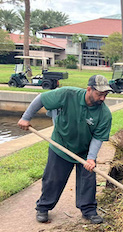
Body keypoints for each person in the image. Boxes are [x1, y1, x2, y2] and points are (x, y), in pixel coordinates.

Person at [17, 75, 113, 224]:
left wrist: (91, 158)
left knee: (88, 181)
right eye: (99, 94)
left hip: (84, 150)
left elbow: (98, 138)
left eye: (105, 95)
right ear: (89, 89)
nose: (102, 98)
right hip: (60, 145)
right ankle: (43, 207)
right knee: (53, 179)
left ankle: (88, 210)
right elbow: (42, 99)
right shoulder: (68, 94)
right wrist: (26, 117)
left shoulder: (104, 113)